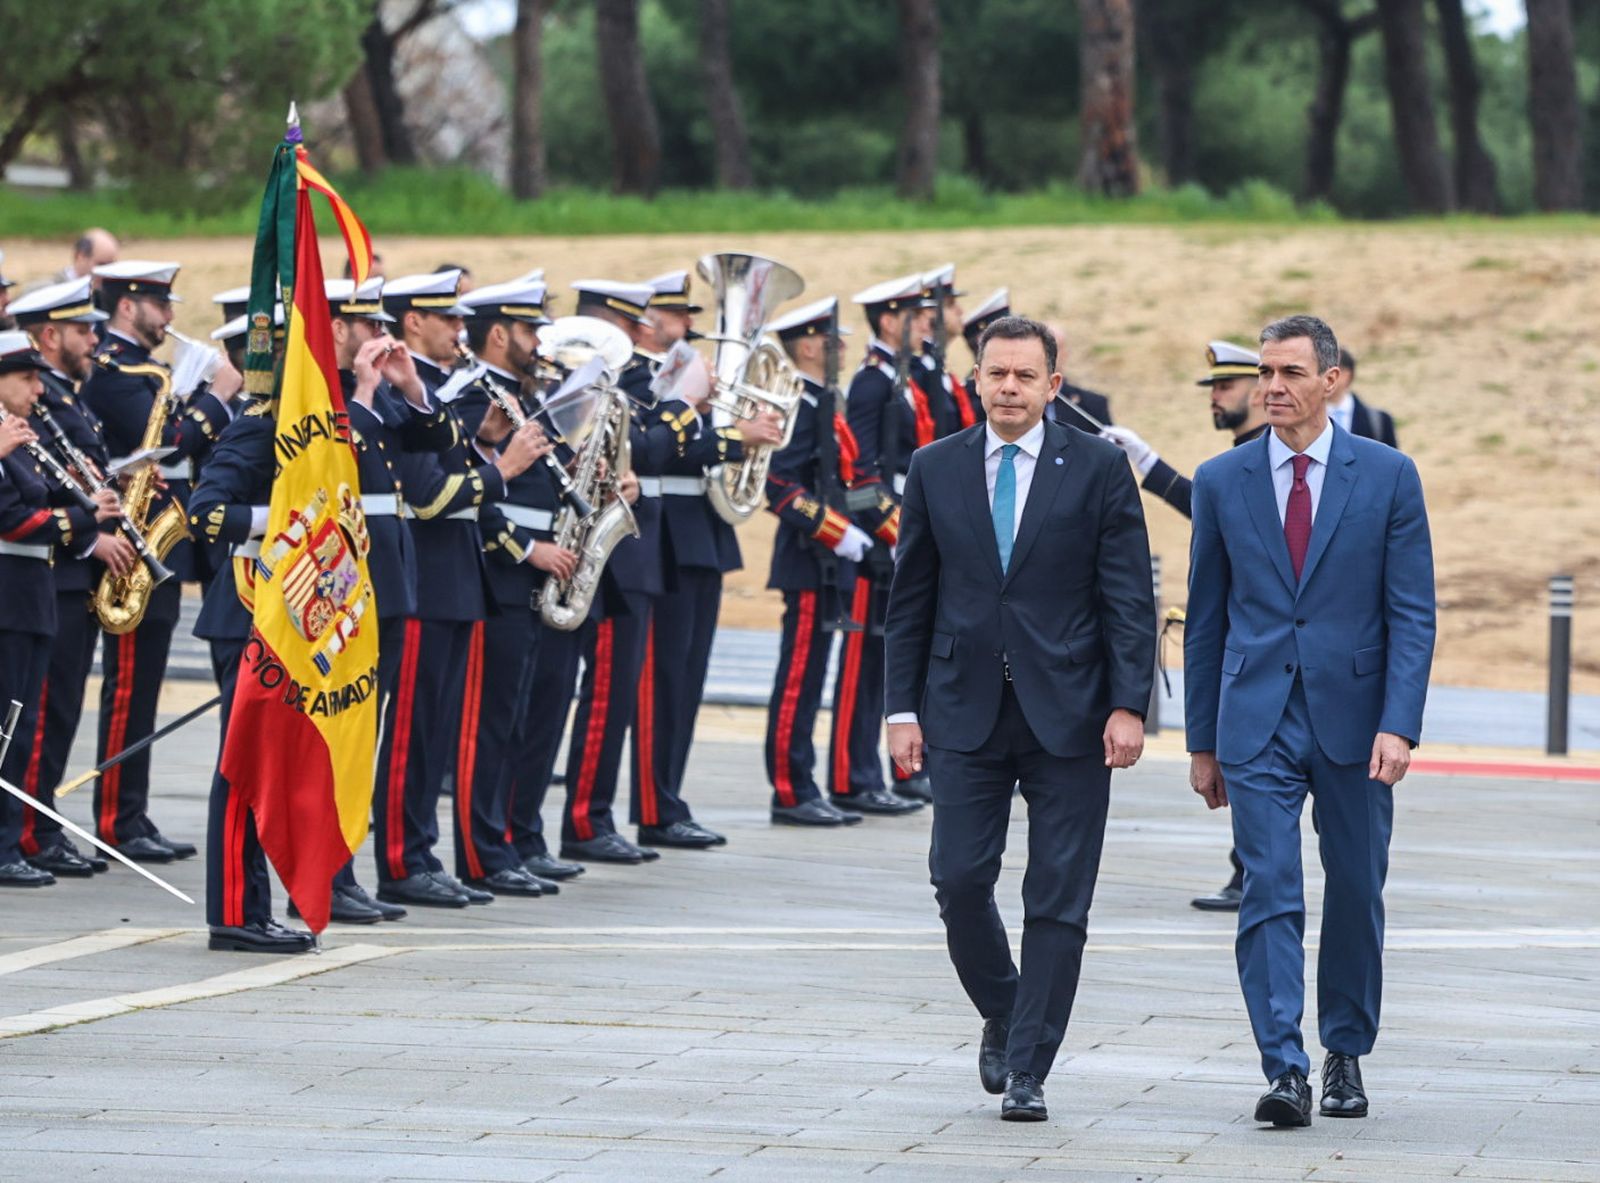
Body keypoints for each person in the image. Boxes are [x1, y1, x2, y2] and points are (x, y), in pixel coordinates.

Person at [884, 314, 1155, 1122]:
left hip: (1071, 716)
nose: (1009, 387)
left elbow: (1129, 599)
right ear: (977, 380)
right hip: (961, 709)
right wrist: (901, 708)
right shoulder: (935, 467)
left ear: (1052, 386)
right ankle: (1007, 1007)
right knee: (959, 879)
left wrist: (1128, 703)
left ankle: (1031, 1063)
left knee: (1058, 898)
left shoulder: (1100, 468)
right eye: (996, 373)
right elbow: (911, 600)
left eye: (1025, 376)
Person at [1185, 314, 1434, 1128]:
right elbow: (1208, 618)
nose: (1273, 387)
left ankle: (1345, 1053)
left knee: (1357, 889)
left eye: (1291, 372)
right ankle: (1283, 1065)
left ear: (1332, 381)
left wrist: (1399, 723)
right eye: (1265, 371)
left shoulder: (1389, 475)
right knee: (1270, 890)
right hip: (1254, 719)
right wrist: (1201, 740)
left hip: (1358, 723)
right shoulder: (1223, 481)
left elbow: (1411, 612)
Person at [372, 269, 547, 908]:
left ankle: (421, 850)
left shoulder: (439, 390)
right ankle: (399, 859)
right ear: (412, 322)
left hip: (454, 577)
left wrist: (486, 444)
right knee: (411, 731)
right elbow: (426, 497)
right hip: (422, 577)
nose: (460, 329)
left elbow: (454, 474)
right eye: (446, 318)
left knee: (436, 730)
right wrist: (503, 467)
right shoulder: (403, 392)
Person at [1099, 340, 1267, 913]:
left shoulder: (1266, 452)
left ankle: (1255, 876)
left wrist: (1150, 467)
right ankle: (1250, 873)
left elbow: (1224, 514)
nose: (1215, 398)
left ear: (1259, 387)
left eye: (1225, 387)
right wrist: (1148, 466)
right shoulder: (1244, 455)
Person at [80, 261, 240, 862]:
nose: (171, 317)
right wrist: (216, 398)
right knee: (128, 687)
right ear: (129, 306)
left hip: (159, 542)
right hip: (129, 548)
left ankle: (133, 814)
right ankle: (116, 819)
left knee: (145, 685)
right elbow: (170, 445)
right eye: (161, 305)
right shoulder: (115, 374)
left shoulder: (145, 371)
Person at [448, 276, 574, 895]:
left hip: (529, 579)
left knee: (518, 718)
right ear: (499, 333)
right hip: (498, 574)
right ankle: (481, 852)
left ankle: (509, 841)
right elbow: (473, 493)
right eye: (528, 330)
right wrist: (527, 549)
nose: (537, 341)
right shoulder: (474, 398)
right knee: (487, 724)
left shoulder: (523, 394)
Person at [6, 278, 133, 877]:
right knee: (25, 718)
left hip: (42, 584)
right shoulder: (24, 425)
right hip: (27, 584)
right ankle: (22, 834)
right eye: (26, 379)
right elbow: (19, 514)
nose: (37, 389)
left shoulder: (40, 420)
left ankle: (31, 829)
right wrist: (84, 524)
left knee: (43, 716)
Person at [761, 296, 886, 827]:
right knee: (799, 677)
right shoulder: (798, 404)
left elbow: (852, 479)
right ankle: (790, 788)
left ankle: (805, 783)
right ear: (810, 346)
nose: (840, 352)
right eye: (833, 343)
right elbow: (780, 486)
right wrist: (837, 533)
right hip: (810, 558)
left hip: (834, 560)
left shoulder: (826, 402)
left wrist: (876, 531)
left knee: (814, 676)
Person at [832, 273, 933, 817]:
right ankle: (851, 777)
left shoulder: (901, 379)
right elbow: (863, 475)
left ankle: (874, 773)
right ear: (889, 321)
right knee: (862, 665)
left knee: (886, 664)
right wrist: (895, 537)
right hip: (878, 540)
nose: (924, 327)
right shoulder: (872, 382)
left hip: (897, 530)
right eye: (915, 318)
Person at [1041, 323, 1113, 431]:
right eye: (1042, 349)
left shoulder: (1092, 405)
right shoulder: (1014, 398)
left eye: (1054, 348)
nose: (1047, 355)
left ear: (1065, 354)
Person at [1328, 348, 1398, 448]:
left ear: (1347, 375)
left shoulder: (1379, 421)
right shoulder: (1307, 419)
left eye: (1330, 370)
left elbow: (1393, 461)